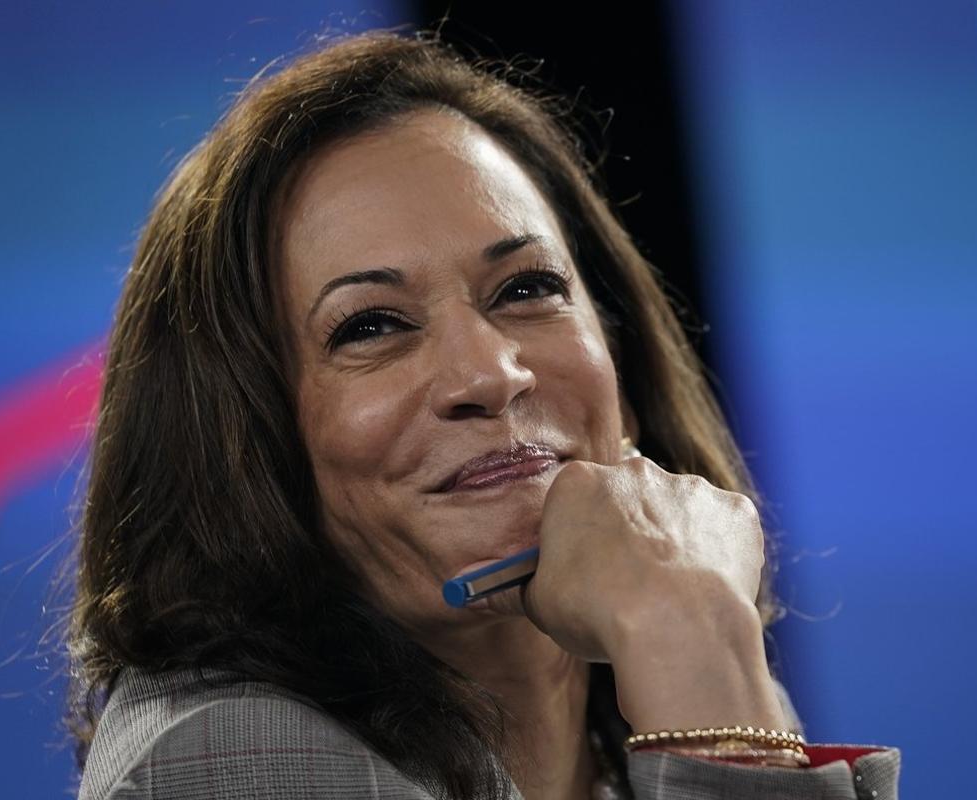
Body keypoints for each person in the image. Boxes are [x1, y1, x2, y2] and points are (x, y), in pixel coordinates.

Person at [67, 29, 900, 799]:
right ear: (244, 444)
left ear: (622, 367)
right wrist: (704, 668)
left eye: (527, 289)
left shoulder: (661, 674)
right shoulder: (232, 757)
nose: (491, 374)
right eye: (372, 326)